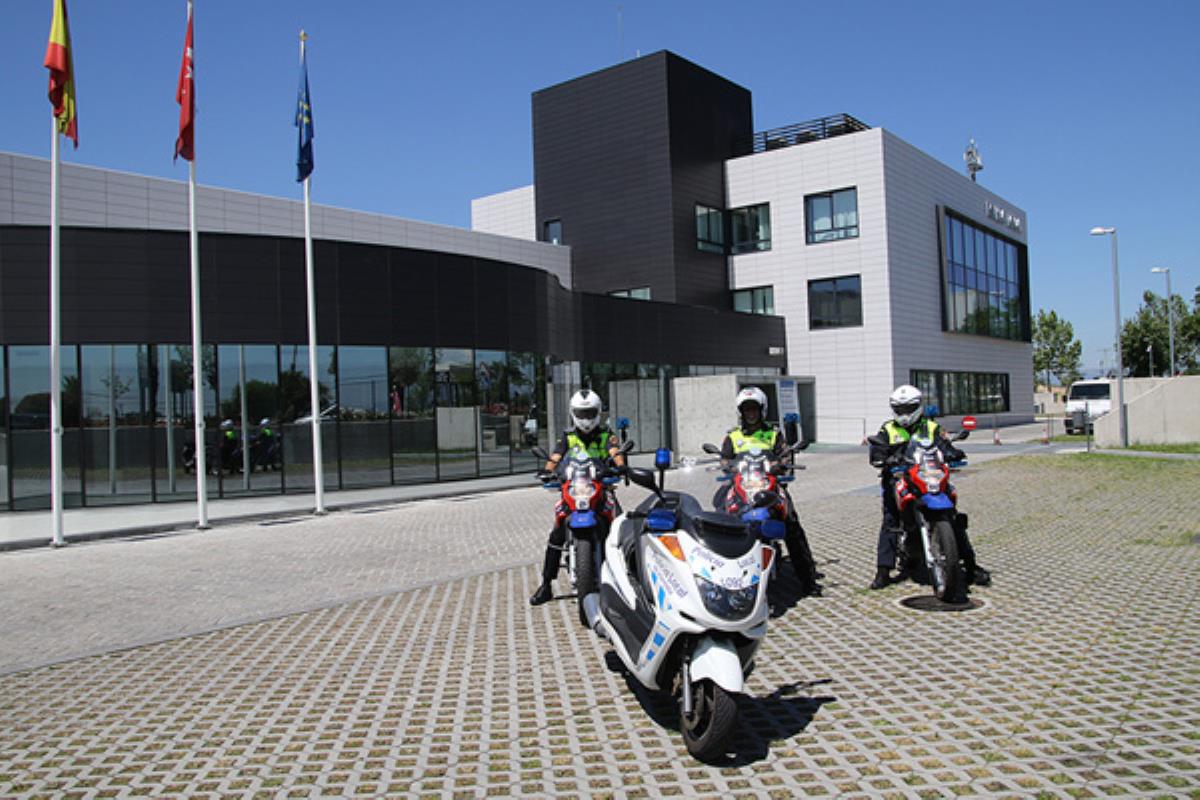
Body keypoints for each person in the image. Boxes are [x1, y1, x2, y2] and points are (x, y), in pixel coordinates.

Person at [867, 384, 991, 590]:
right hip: (899, 478)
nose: (904, 414)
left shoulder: (931, 427)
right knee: (890, 520)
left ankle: (970, 565)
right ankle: (883, 571)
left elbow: (944, 445)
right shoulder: (888, 428)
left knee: (953, 517)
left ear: (918, 406)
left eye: (909, 408)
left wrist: (953, 452)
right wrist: (881, 457)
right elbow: (878, 447)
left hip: (928, 475)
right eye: (900, 409)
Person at [715, 387, 822, 596]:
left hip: (769, 485)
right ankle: (721, 578)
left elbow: (785, 456)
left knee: (792, 525)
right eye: (746, 409)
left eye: (754, 409)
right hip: (741, 485)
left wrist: (780, 464)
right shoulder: (733, 436)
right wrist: (728, 465)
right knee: (720, 517)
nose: (751, 413)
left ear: (762, 410)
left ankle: (808, 581)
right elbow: (724, 459)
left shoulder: (773, 434)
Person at [529, 389, 625, 606]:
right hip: (575, 487)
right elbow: (556, 456)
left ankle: (628, 578)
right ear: (573, 413)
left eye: (590, 412)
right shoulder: (568, 436)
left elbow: (614, 452)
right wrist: (547, 471)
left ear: (598, 412)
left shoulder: (605, 434)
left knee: (620, 525)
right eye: (581, 413)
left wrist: (621, 467)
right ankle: (546, 585)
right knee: (556, 532)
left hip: (601, 488)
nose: (585, 418)